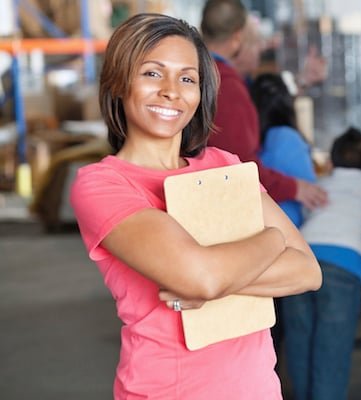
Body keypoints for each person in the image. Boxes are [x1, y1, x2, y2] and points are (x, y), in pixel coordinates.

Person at [69, 13, 322, 399]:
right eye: (153, 73)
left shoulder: (225, 165)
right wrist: (273, 240)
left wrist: (218, 278)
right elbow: (200, 278)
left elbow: (306, 270)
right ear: (119, 82)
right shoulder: (102, 184)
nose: (172, 91)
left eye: (187, 78)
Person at [281, 127, 361, 400]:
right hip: (342, 267)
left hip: (299, 263)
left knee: (299, 342)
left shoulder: (321, 184)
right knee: (332, 349)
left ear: (330, 164)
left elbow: (307, 214)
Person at [201, 0, 327, 210]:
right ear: (238, 37)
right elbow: (238, 169)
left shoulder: (202, 73)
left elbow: (264, 99)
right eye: (255, 41)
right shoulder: (226, 87)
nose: (259, 50)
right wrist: (294, 188)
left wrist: (302, 81)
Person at [251, 72, 317, 227]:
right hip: (291, 228)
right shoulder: (288, 138)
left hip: (261, 226)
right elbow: (311, 191)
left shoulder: (253, 143)